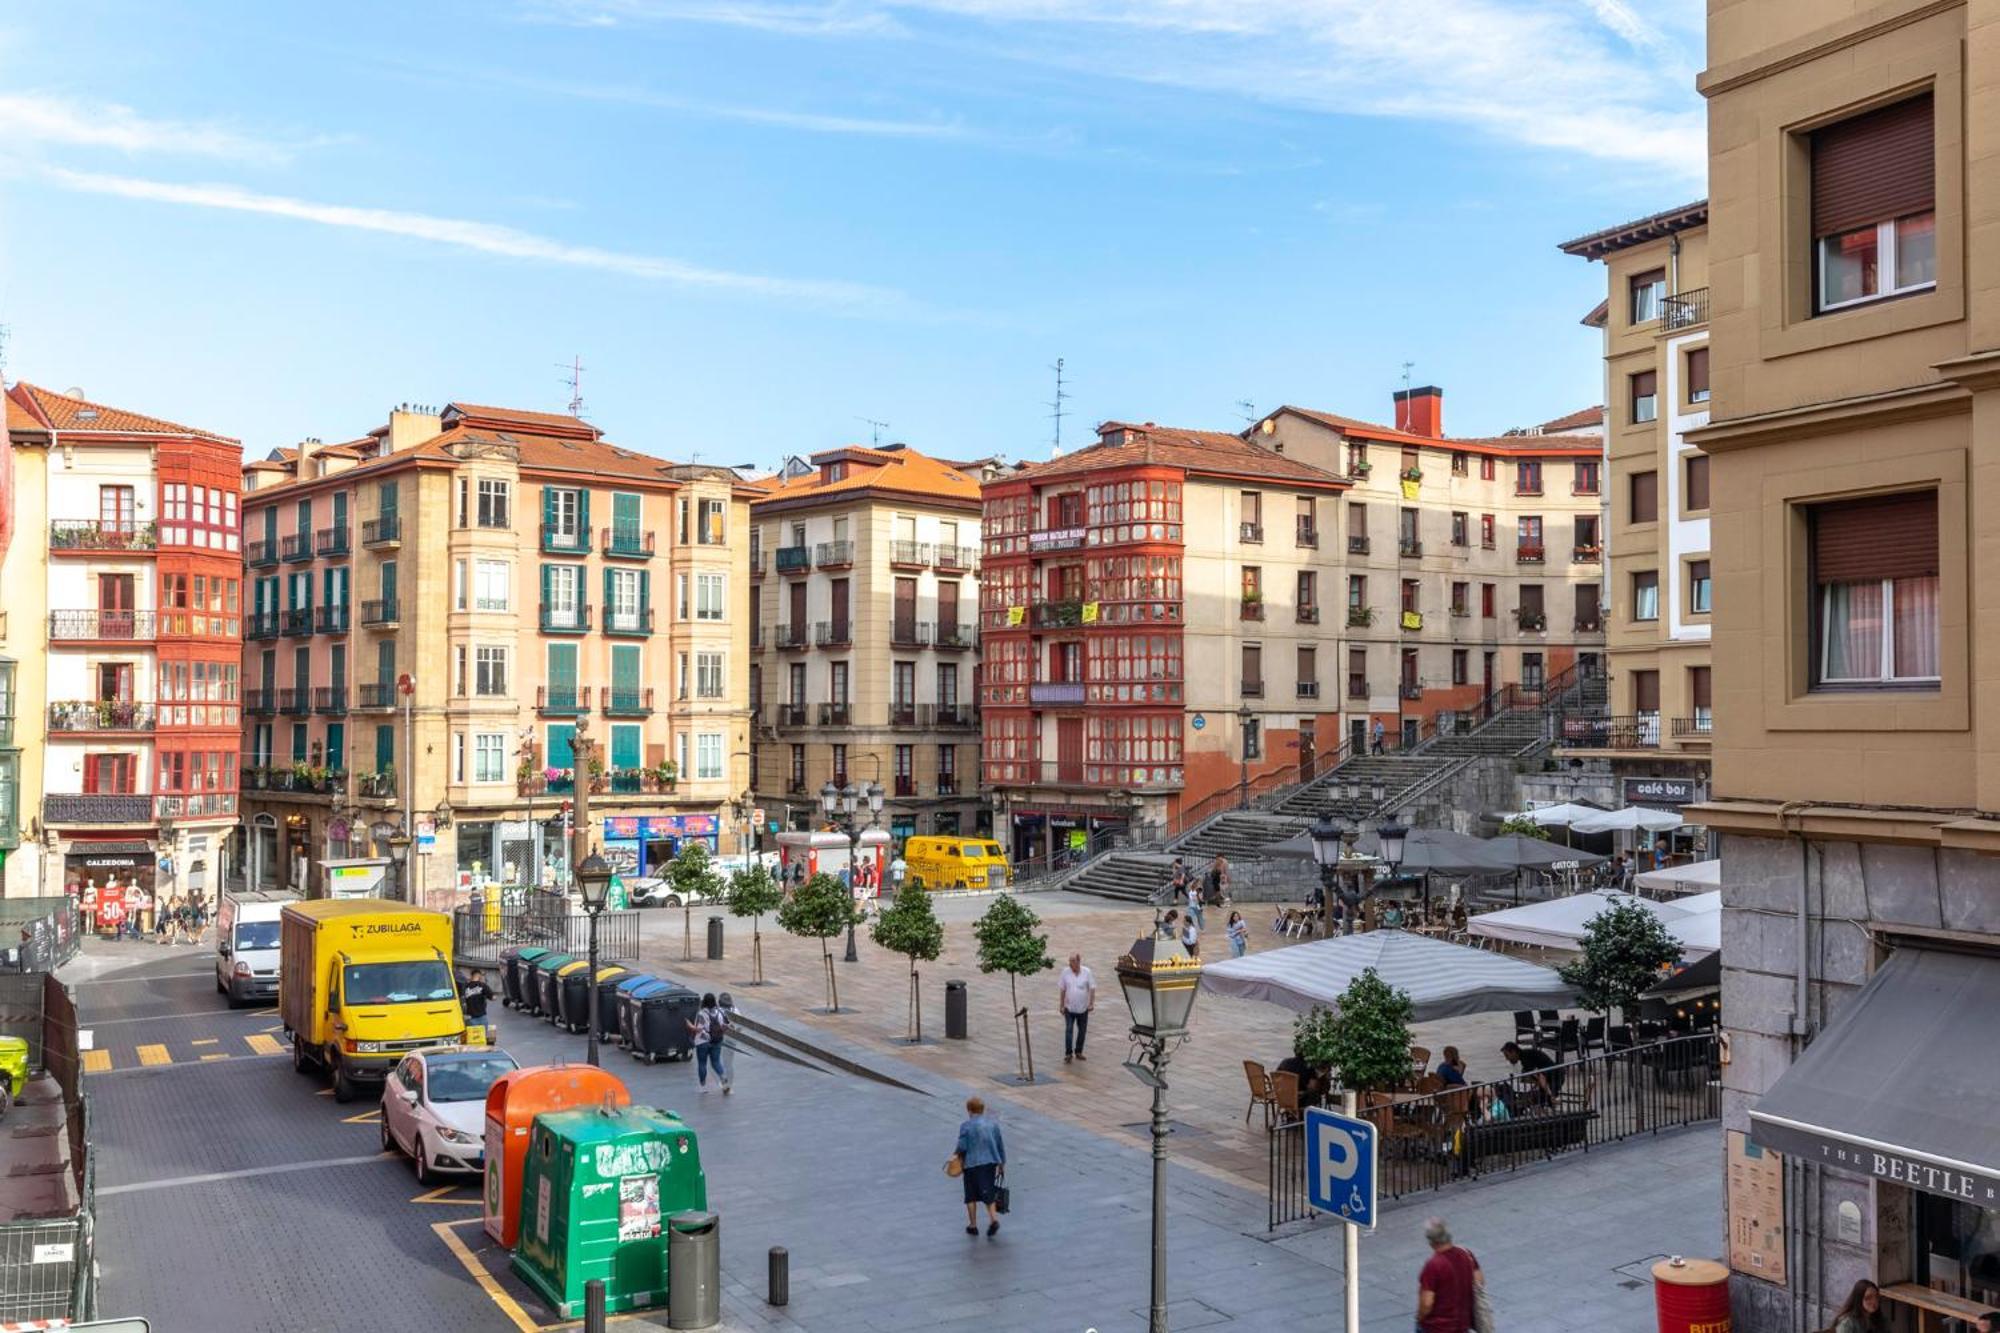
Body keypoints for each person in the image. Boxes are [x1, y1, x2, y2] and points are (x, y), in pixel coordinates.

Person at [1416, 1217, 1484, 1333]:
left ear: (1431, 1242)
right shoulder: (1466, 1254)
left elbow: (1427, 1303)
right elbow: (1479, 1281)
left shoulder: (1433, 1265)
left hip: (1437, 1327)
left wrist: (1419, 1317)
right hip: (1462, 1324)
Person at [954, 1096, 1006, 1237]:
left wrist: (955, 1154)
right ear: (982, 1110)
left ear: (969, 1110)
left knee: (970, 1196)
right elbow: (1000, 1145)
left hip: (972, 1164)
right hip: (990, 1163)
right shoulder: (993, 1125)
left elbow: (962, 1146)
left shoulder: (966, 1126)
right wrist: (1002, 1163)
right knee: (988, 1191)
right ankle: (993, 1219)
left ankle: (973, 1225)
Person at [689, 992, 731, 1094]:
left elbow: (698, 1029)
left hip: (703, 1042)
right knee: (716, 1062)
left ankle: (703, 1087)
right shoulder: (720, 1012)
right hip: (717, 1041)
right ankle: (723, 1078)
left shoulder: (702, 1014)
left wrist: (689, 1026)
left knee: (702, 1063)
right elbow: (726, 1026)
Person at [1057, 953, 1095, 1063]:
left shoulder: (1087, 972)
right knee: (1069, 1030)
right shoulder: (1065, 972)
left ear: (1078, 962)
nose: (1070, 964)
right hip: (1069, 1008)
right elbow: (1062, 989)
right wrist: (1061, 1005)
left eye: (1072, 962)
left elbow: (1092, 988)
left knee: (1082, 1031)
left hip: (1083, 1009)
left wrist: (1091, 1003)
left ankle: (1078, 1051)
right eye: (1069, 962)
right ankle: (1068, 1053)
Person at [1501, 1040, 1563, 1106]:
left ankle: (1552, 1098)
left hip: (1554, 1076)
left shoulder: (1526, 1058)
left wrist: (1550, 1094)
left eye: (1507, 1056)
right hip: (1551, 1075)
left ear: (1513, 1052)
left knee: (1536, 1094)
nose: (1507, 1059)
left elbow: (1540, 1076)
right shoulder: (1525, 1056)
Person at [461, 968, 496, 1043]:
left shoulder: (465, 987)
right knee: (482, 1040)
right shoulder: (483, 986)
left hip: (470, 1018)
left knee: (472, 1041)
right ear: (479, 975)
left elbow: (462, 1000)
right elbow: (493, 998)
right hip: (482, 1017)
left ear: (471, 976)